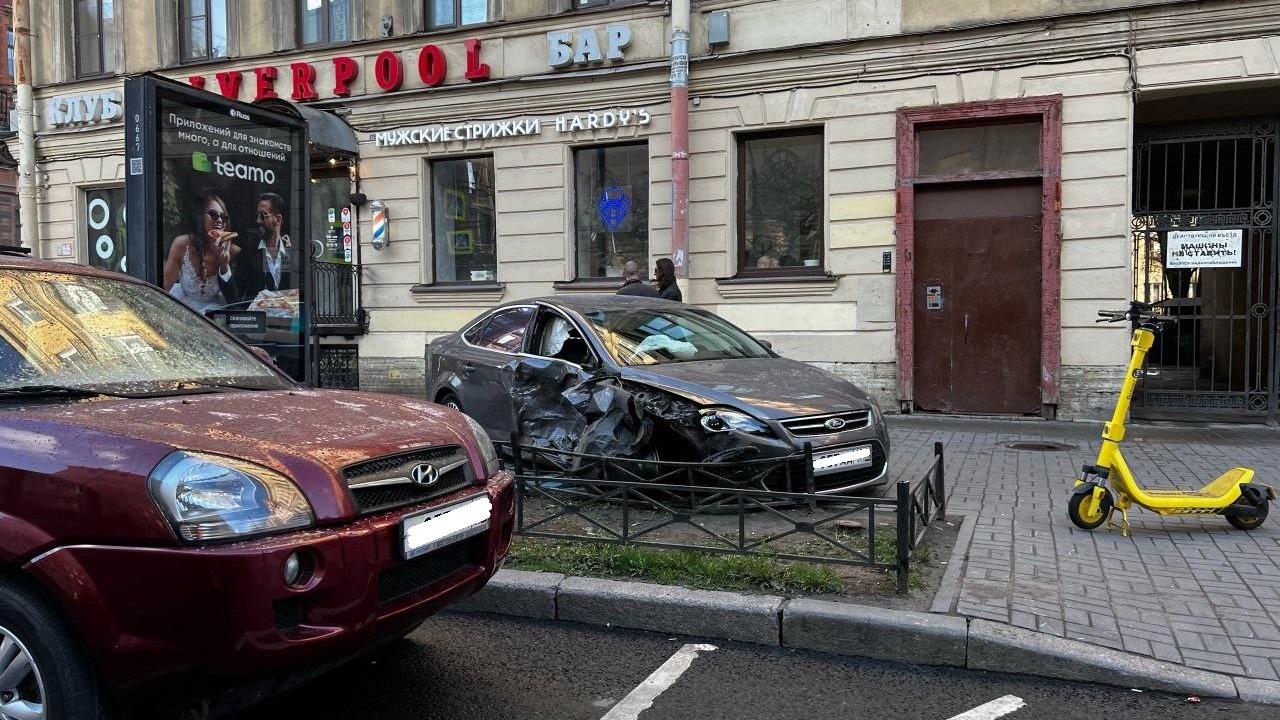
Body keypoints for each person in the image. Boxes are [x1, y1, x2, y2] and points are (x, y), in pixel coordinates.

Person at [163, 189, 239, 314]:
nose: (219, 220)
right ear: (200, 217)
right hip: (184, 307)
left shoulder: (233, 251)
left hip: (214, 310)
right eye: (213, 214)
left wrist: (224, 265)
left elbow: (235, 302)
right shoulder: (182, 244)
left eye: (223, 217)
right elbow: (164, 286)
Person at [230, 193, 295, 303]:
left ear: (278, 219)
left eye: (263, 215)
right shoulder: (249, 253)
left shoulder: (291, 252)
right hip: (256, 318)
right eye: (257, 216)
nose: (258, 221)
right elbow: (237, 295)